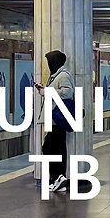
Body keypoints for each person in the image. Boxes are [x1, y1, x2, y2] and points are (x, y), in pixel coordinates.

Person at [34, 50, 75, 194]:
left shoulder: (63, 75)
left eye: (50, 61)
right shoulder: (55, 76)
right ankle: (59, 179)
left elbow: (68, 93)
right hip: (54, 120)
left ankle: (58, 177)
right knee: (56, 149)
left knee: (51, 148)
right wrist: (44, 90)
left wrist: (47, 91)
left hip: (58, 120)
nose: (48, 64)